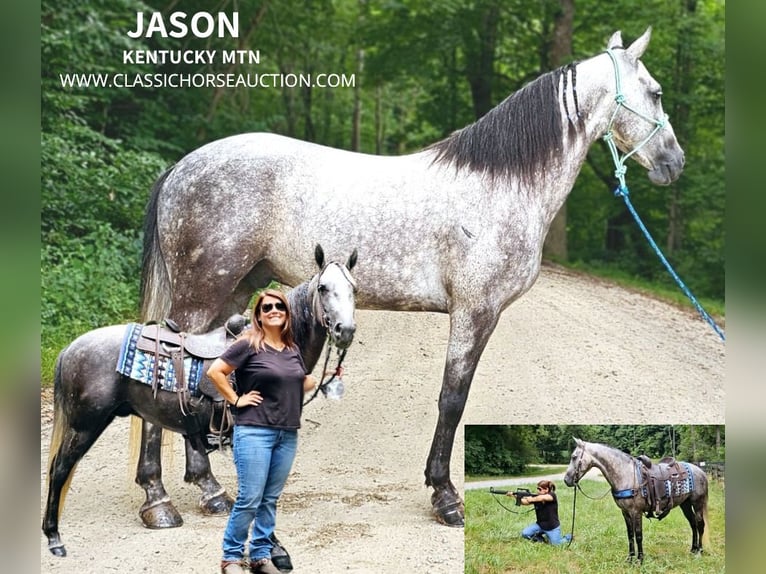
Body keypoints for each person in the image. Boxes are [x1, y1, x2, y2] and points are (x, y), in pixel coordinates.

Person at [208, 289, 325, 574]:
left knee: (270, 499)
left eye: (279, 307)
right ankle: (231, 558)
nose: (274, 310)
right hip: (254, 431)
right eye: (267, 307)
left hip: (287, 434)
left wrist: (324, 378)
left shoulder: (292, 349)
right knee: (250, 498)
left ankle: (260, 555)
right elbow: (215, 372)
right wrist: (236, 400)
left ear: (287, 314)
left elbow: (297, 383)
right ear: (259, 315)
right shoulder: (248, 343)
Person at [507, 480, 572, 545]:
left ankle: (568, 537)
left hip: (552, 527)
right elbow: (524, 502)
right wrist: (514, 496)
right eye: (537, 488)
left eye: (539, 489)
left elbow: (544, 498)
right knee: (525, 533)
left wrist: (532, 499)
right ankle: (540, 539)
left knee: (556, 544)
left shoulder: (552, 495)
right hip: (540, 525)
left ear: (546, 489)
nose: (538, 490)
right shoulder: (537, 497)